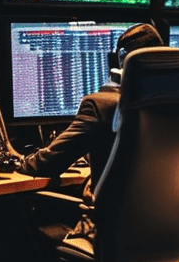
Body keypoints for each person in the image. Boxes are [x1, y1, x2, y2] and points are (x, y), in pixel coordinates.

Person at [17, 22, 165, 190]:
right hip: (172, 214)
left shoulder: (101, 105)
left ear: (122, 67)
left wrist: (19, 161)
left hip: (114, 216)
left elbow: (46, 165)